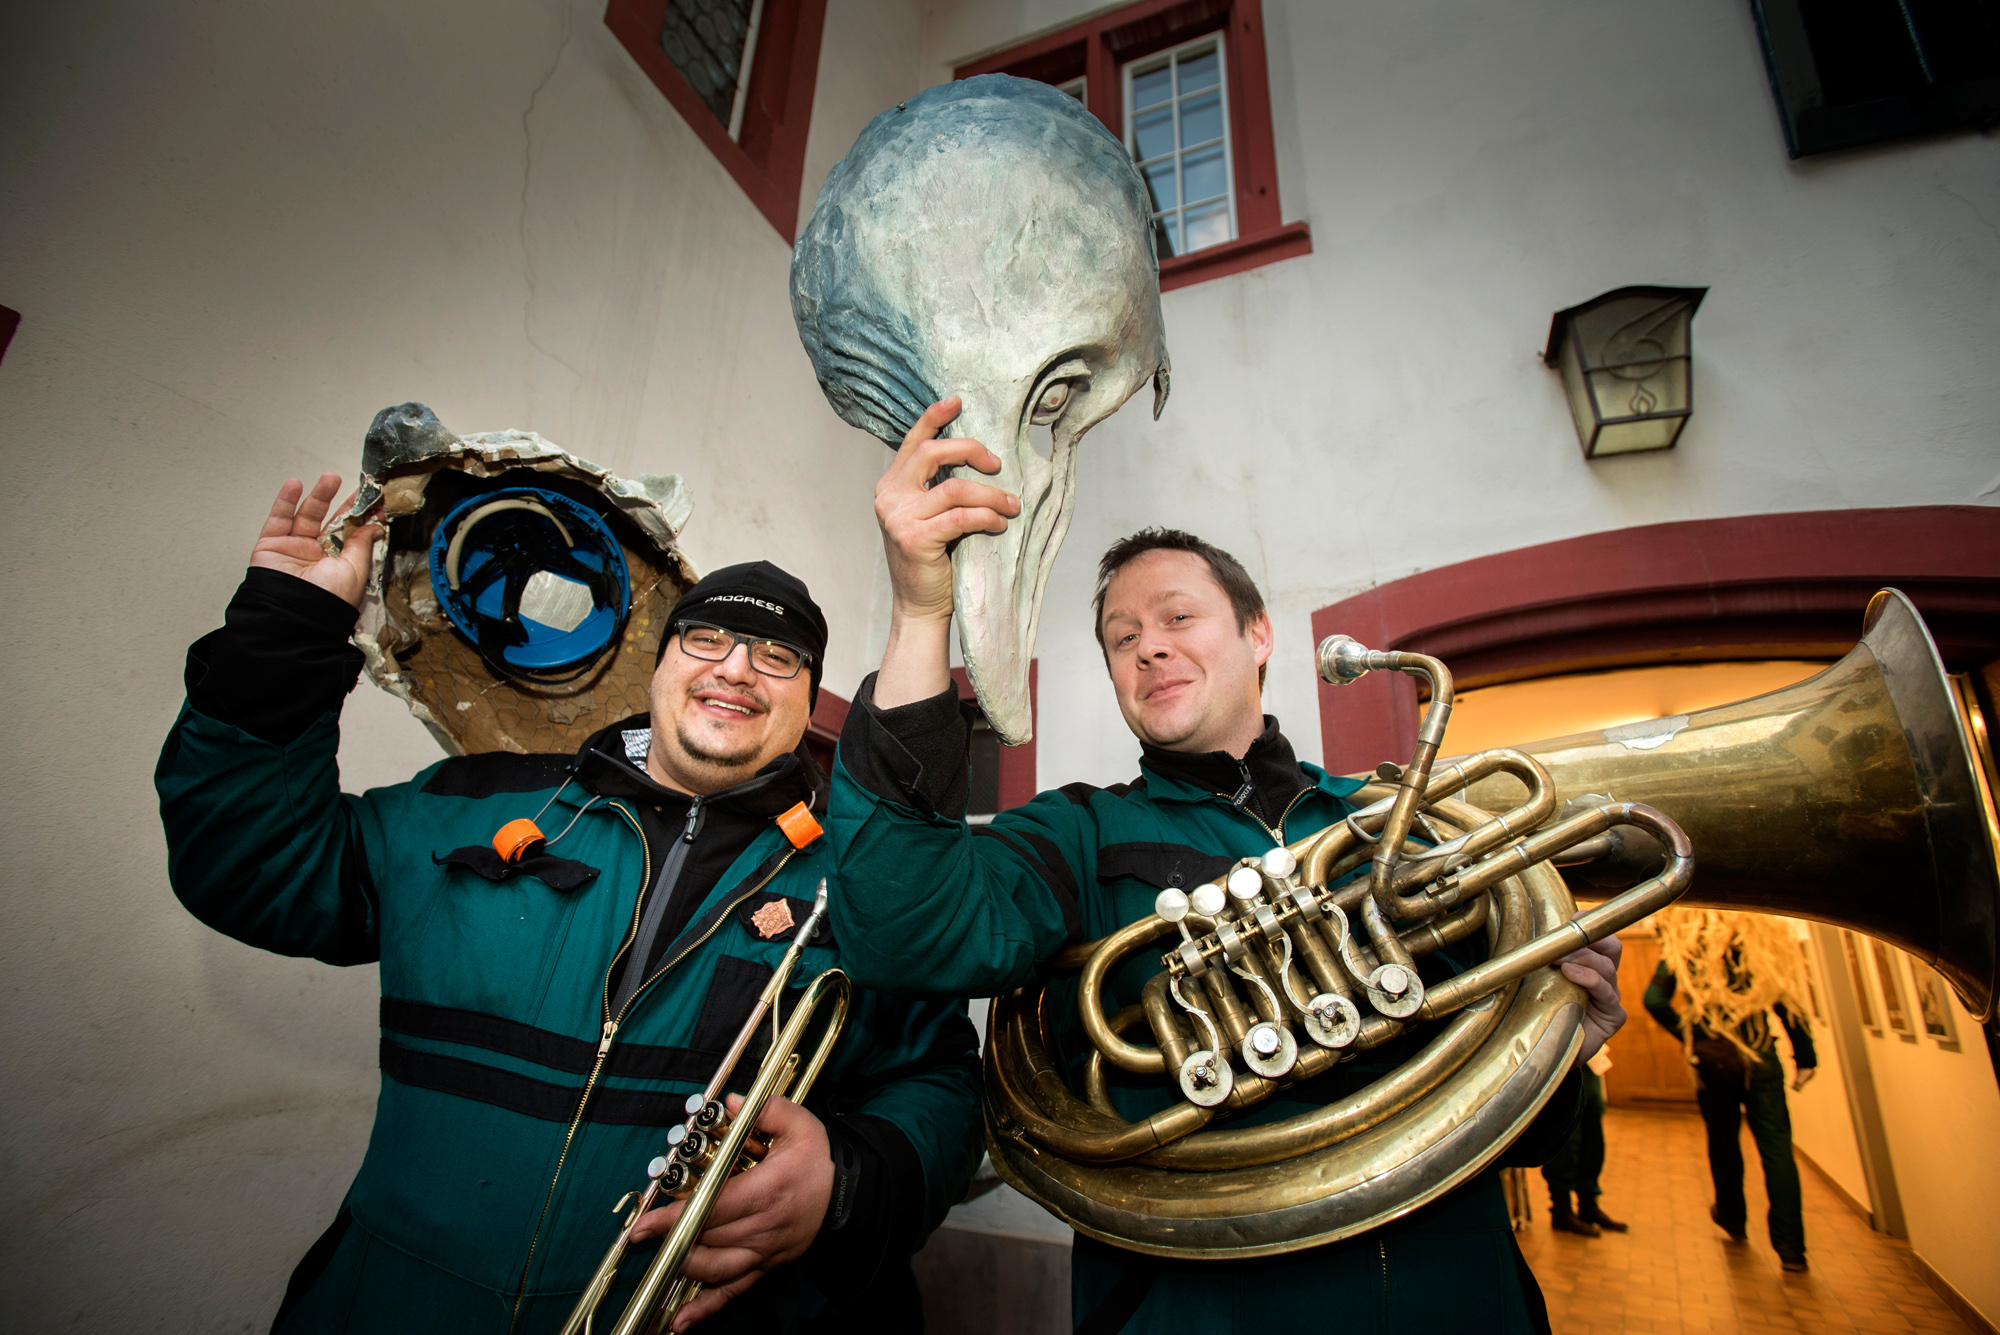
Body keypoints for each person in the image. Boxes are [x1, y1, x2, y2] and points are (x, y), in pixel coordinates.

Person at [824, 399, 1631, 1333]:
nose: (1150, 645)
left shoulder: (1395, 819)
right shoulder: (1081, 833)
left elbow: (1512, 1132)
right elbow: (899, 928)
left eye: (1178, 616)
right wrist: (924, 612)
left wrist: (1562, 1051)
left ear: (1258, 635)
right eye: (1122, 639)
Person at [156, 474, 983, 1333]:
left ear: (807, 700)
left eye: (778, 656)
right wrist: (286, 634)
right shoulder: (468, 804)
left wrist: (847, 1180)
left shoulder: (863, 880)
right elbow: (251, 864)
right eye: (706, 639)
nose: (737, 667)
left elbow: (942, 1085)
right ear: (659, 666)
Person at [1644, 933, 1816, 1273]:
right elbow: (1784, 1002)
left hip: (1715, 1061)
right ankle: (1790, 1247)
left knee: (1723, 1141)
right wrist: (1806, 1056)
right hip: (1761, 1056)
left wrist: (1694, 1036)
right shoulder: (1758, 946)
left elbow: (1654, 999)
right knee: (1777, 1148)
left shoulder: (1688, 947)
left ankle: (1732, 1217)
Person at [1540, 1049, 1625, 1236]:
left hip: (1589, 1055)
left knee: (1592, 1134)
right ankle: (1562, 1209)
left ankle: (1588, 1204)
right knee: (1567, 1137)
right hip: (1561, 1055)